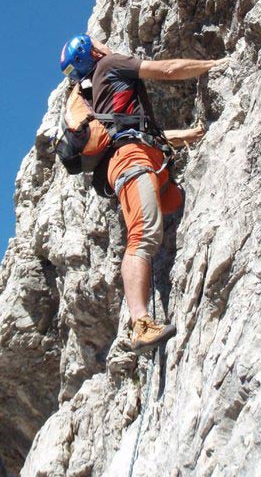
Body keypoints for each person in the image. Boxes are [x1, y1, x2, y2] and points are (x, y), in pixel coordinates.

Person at [60, 34, 229, 353]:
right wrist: (212, 65)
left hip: (138, 158)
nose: (105, 45)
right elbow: (166, 70)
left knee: (177, 205)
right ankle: (140, 324)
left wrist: (188, 135)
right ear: (93, 51)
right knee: (142, 236)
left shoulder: (97, 93)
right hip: (132, 160)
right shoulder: (110, 65)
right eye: (99, 43)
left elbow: (137, 131)